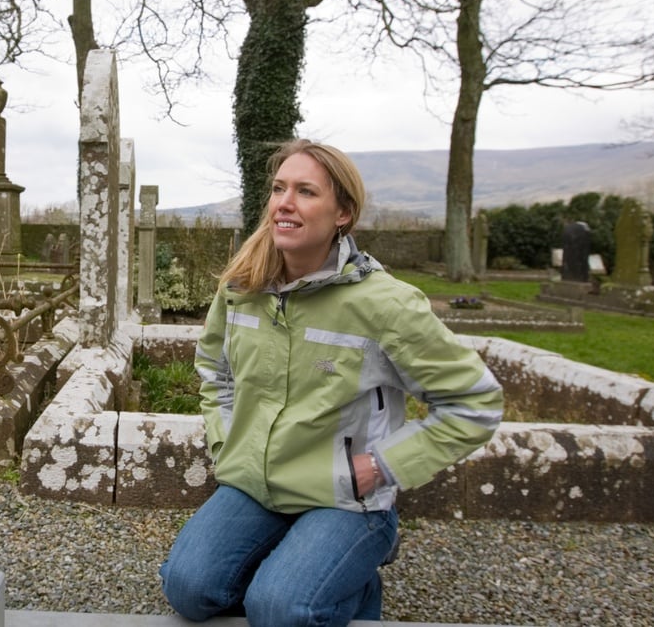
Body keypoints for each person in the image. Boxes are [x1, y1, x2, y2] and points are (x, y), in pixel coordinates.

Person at [159, 139, 504, 627]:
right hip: (256, 485)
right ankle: (301, 562)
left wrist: (384, 464)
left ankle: (351, 572)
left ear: (343, 212)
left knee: (279, 610)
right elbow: (215, 375)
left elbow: (476, 402)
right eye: (279, 189)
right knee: (188, 589)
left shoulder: (387, 304)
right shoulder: (240, 289)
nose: (285, 202)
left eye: (305, 191)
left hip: (345, 496)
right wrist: (227, 443)